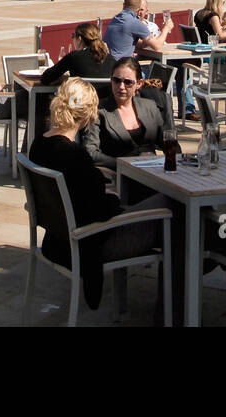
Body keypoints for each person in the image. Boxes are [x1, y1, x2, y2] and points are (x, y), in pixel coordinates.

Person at [29, 77, 174, 310]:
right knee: (171, 204)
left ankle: (221, 244)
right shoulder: (75, 156)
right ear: (88, 115)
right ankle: (178, 299)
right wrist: (114, 199)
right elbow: (99, 209)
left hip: (58, 239)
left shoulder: (38, 146)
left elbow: (78, 192)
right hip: (92, 242)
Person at [83, 58, 179, 170]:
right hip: (118, 175)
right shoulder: (99, 110)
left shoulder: (150, 107)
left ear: (139, 84)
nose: (121, 87)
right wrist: (124, 164)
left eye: (128, 82)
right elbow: (90, 152)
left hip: (153, 172)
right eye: (116, 80)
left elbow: (169, 142)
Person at [103, 0, 173, 59]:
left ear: (124, 5)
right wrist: (166, 28)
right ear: (139, 9)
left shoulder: (116, 19)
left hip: (108, 62)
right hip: (121, 65)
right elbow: (157, 46)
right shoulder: (135, 23)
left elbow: (134, 42)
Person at [40, 23, 113, 84]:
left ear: (79, 39)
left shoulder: (74, 57)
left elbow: (45, 78)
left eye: (73, 36)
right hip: (105, 100)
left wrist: (66, 79)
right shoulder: (111, 59)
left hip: (80, 100)